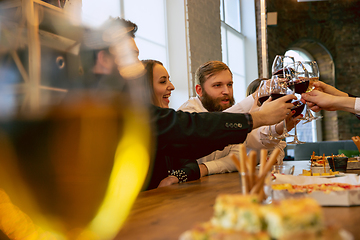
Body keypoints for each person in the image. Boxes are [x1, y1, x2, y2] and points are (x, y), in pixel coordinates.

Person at [80, 18, 296, 190]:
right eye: (131, 57)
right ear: (103, 60)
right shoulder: (101, 108)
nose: (138, 68)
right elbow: (189, 129)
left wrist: (192, 170)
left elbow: (190, 143)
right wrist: (257, 117)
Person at [178, 61, 300, 176]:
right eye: (217, 85)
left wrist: (279, 128)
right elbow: (214, 123)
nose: (226, 91)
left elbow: (240, 154)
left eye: (229, 85)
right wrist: (255, 96)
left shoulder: (233, 114)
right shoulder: (189, 112)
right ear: (199, 90)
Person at [141, 59, 201, 187]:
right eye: (163, 82)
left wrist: (174, 178)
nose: (172, 87)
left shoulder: (167, 127)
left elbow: (191, 165)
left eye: (169, 80)